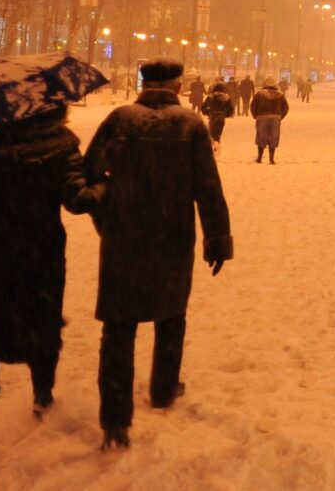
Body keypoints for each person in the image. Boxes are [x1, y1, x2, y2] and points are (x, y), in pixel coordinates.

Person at [84, 58, 233, 452]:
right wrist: (217, 238)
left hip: (123, 241)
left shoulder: (120, 120)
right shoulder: (188, 126)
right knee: (171, 317)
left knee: (118, 327)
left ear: (143, 84)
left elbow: (88, 175)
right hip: (171, 237)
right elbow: (208, 188)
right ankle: (164, 390)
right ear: (177, 85)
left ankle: (115, 420)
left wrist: (109, 214)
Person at [0, 105, 103, 467]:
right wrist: (102, 186)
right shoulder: (63, 145)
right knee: (43, 323)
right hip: (42, 252)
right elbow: (76, 199)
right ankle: (43, 397)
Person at [250, 78, 289, 164]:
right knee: (273, 136)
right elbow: (285, 108)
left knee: (261, 136)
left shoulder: (260, 94)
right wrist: (280, 116)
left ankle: (259, 158)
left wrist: (255, 115)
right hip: (275, 117)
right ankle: (271, 159)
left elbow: (253, 105)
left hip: (262, 116)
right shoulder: (280, 95)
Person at [200, 81, 235, 149]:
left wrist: (207, 113)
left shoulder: (211, 96)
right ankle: (216, 147)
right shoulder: (226, 97)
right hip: (221, 117)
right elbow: (230, 109)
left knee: (211, 133)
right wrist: (225, 115)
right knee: (218, 134)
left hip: (213, 116)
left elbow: (203, 107)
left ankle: (210, 148)